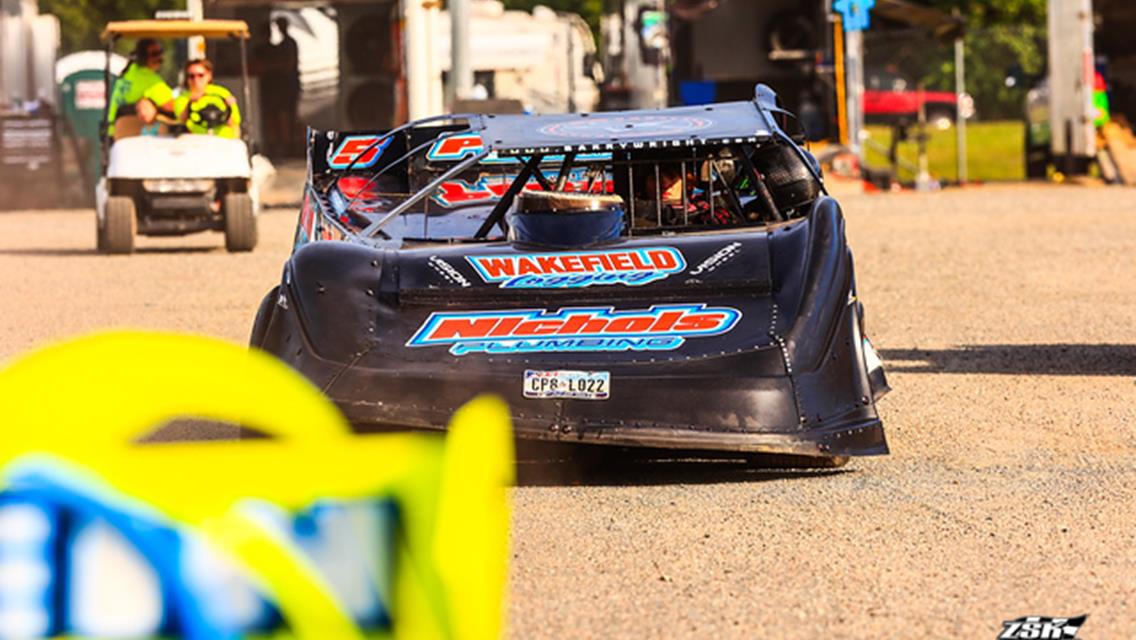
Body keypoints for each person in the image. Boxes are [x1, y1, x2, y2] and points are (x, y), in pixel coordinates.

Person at [106, 39, 176, 137]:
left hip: (112, 132)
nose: (160, 58)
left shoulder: (130, 71)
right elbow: (173, 106)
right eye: (155, 54)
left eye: (161, 52)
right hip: (129, 134)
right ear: (143, 56)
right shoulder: (148, 79)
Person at [174, 59, 241, 139]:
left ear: (209, 75)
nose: (196, 79)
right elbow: (181, 122)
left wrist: (228, 106)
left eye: (200, 75)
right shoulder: (182, 98)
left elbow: (234, 123)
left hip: (223, 141)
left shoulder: (221, 93)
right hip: (197, 142)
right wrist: (189, 103)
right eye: (191, 76)